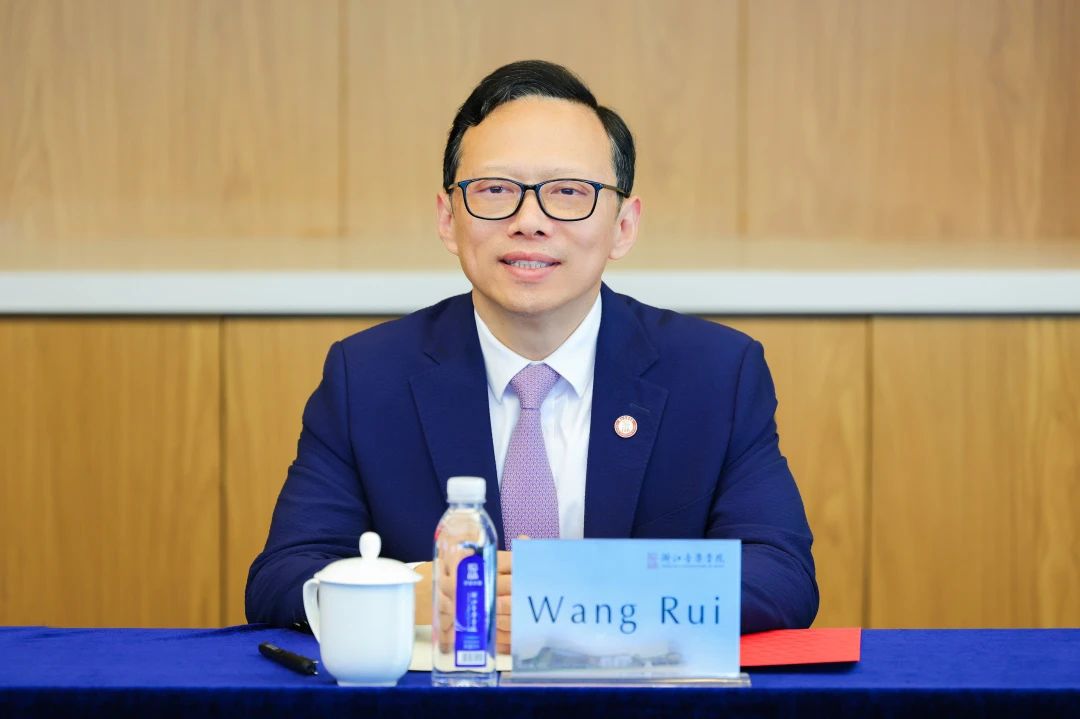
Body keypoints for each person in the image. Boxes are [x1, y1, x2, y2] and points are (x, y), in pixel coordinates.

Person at [246, 60, 818, 648]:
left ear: (623, 225)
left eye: (568, 192)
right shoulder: (368, 378)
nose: (530, 222)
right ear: (447, 218)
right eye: (495, 190)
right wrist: (410, 595)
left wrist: (573, 598)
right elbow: (282, 577)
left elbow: (780, 577)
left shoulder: (716, 374)